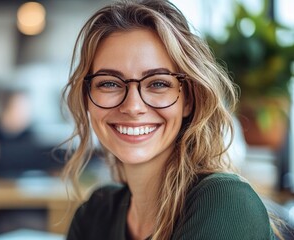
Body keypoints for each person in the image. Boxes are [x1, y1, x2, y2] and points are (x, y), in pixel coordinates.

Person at [61, 0, 281, 239]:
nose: (133, 107)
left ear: (188, 99)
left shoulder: (225, 201)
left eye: (158, 83)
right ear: (87, 98)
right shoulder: (95, 214)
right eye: (109, 83)